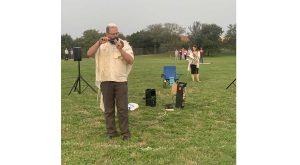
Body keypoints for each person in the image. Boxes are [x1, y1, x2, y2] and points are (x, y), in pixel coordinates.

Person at [87, 23, 134, 140]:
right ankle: (111, 132)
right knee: (108, 109)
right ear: (107, 34)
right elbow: (89, 54)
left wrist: (120, 49)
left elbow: (130, 60)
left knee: (122, 108)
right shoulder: (101, 45)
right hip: (106, 80)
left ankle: (125, 133)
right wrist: (98, 43)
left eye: (116, 33)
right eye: (112, 34)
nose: (115, 35)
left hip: (120, 81)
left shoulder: (124, 44)